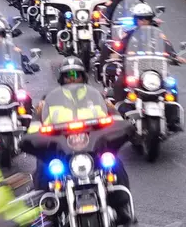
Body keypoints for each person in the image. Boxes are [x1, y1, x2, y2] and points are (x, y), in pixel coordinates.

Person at [29, 57, 134, 226]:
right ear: (61, 79)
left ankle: (122, 208)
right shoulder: (47, 100)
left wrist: (119, 121)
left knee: (115, 164)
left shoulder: (97, 97)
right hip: (61, 150)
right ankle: (47, 213)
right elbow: (34, 130)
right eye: (68, 75)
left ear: (83, 77)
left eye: (76, 74)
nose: (72, 78)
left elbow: (116, 121)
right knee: (42, 168)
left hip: (93, 147)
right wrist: (36, 121)